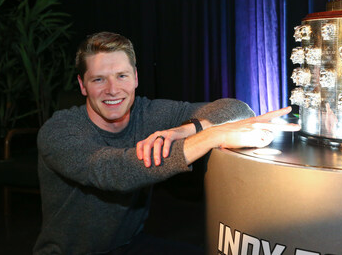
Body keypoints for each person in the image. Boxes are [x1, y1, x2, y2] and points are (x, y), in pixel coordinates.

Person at [33, 31, 300, 254]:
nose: (112, 90)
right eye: (99, 79)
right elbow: (114, 172)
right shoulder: (59, 130)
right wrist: (211, 137)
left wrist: (190, 129)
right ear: (82, 85)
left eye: (122, 76)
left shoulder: (148, 113)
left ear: (136, 78)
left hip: (130, 245)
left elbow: (236, 109)